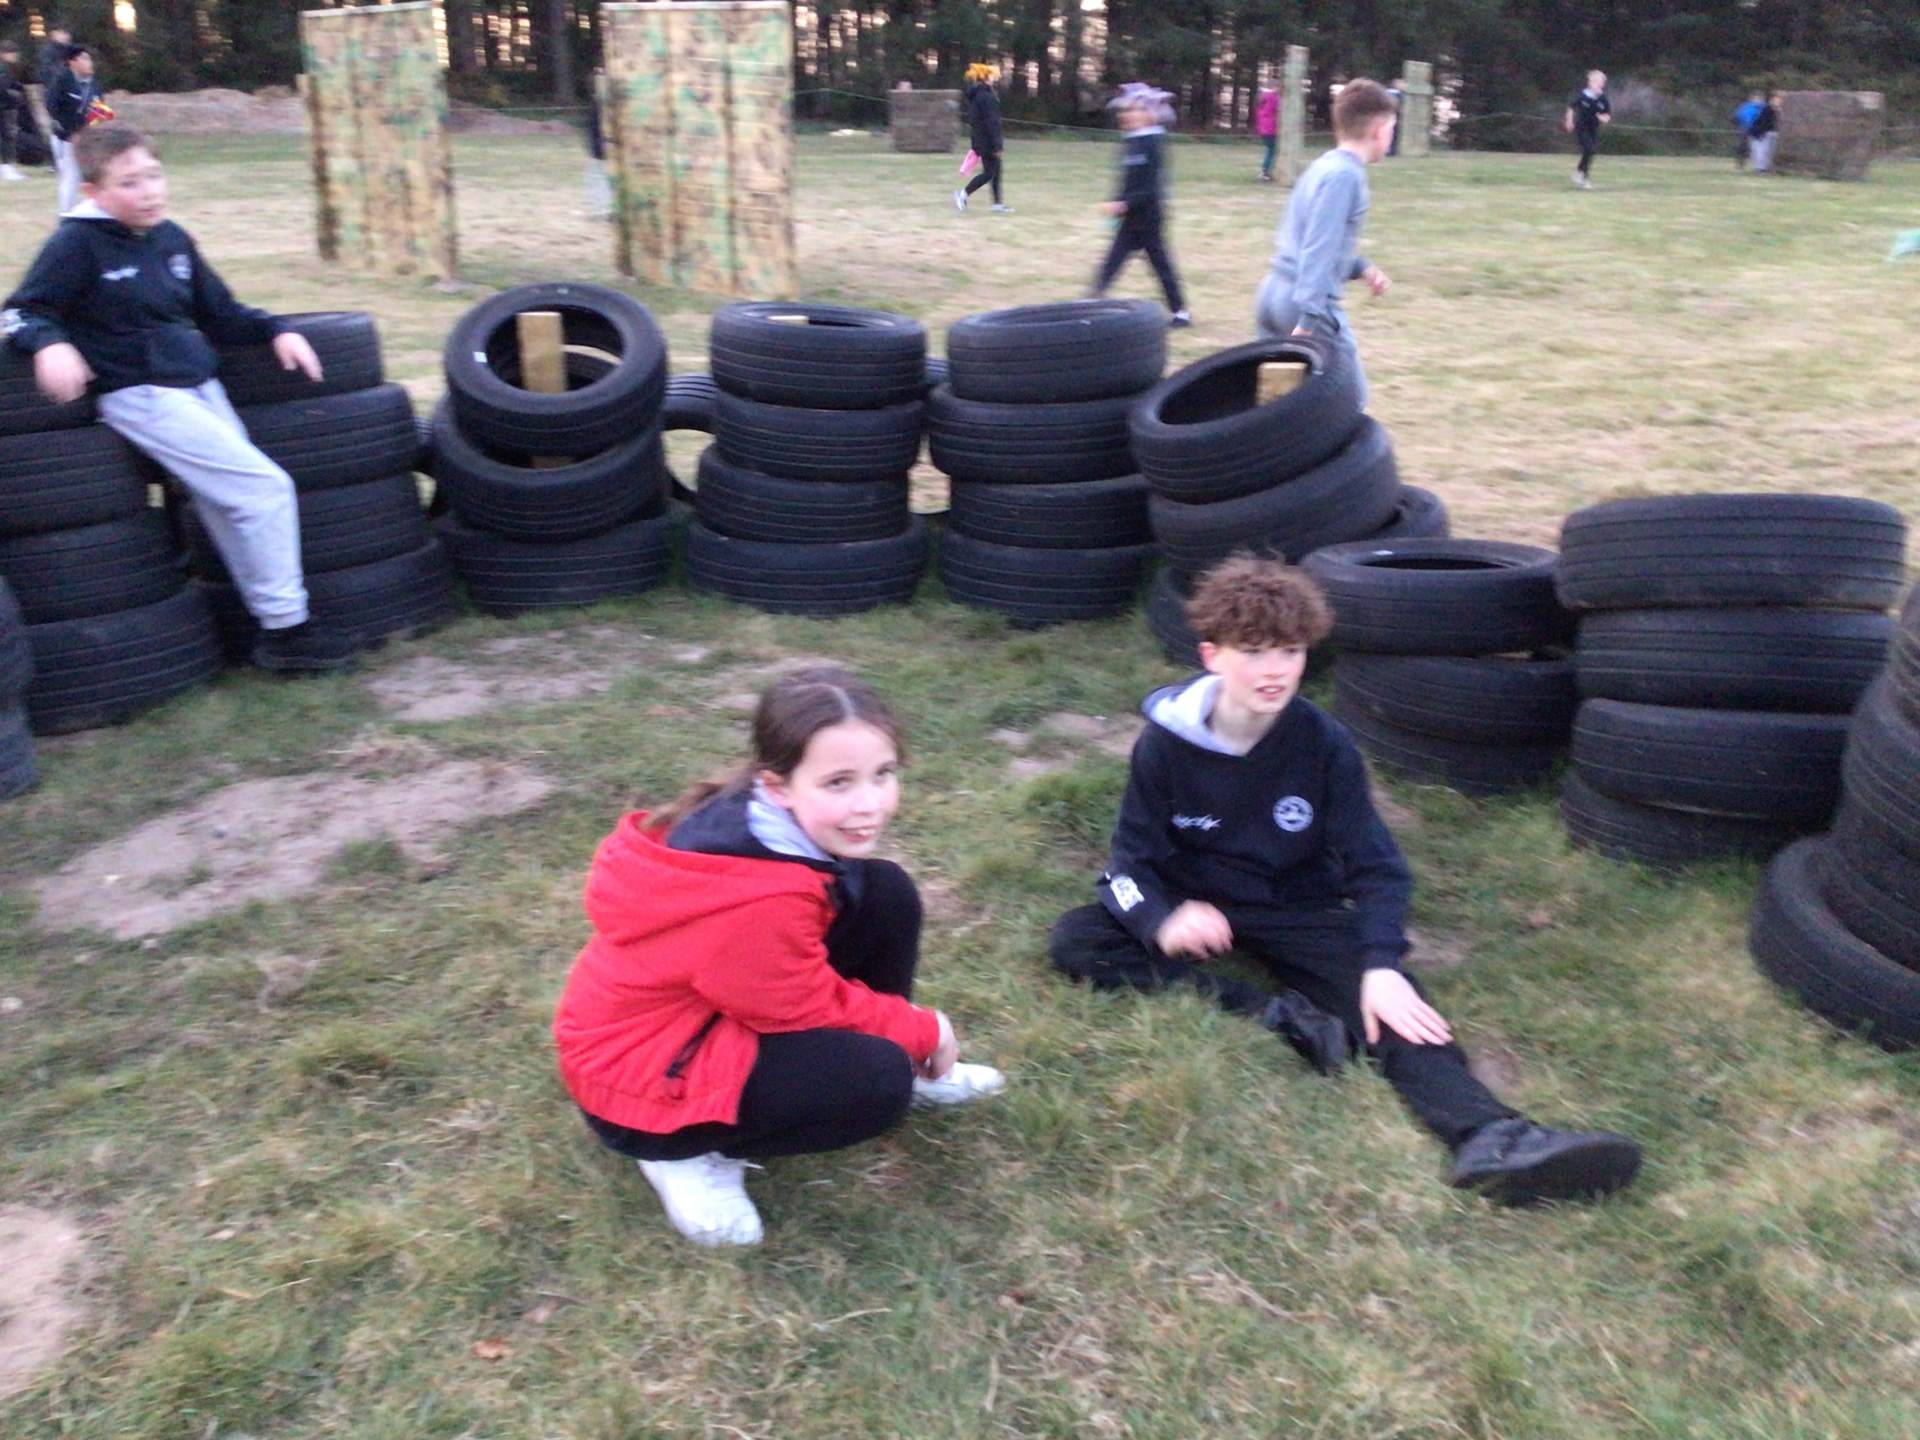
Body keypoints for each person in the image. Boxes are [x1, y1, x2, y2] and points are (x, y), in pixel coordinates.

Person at [1047, 555, 1644, 1206]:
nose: (1275, 671)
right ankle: (1278, 1015)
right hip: (1200, 899)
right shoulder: (1165, 744)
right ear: (1213, 655)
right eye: (1254, 651)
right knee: (1078, 939)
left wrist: (1382, 962)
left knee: (1391, 1003)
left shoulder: (1323, 743)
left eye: (1291, 651)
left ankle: (1491, 1137)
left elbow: (1378, 866)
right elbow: (1127, 863)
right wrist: (1162, 920)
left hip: (1295, 904)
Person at [553, 667, 1008, 1248]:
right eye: (838, 783)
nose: (870, 804)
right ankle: (685, 1153)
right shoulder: (757, 896)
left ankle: (917, 1069)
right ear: (778, 785)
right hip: (642, 1087)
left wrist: (905, 1035)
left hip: (709, 1014)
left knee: (883, 891)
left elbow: (784, 986)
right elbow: (798, 1005)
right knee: (875, 1083)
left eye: (883, 774)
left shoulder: (761, 828)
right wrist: (922, 1030)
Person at [2, 124, 353, 672]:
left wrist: (275, 330)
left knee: (231, 502)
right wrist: (50, 344)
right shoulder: (76, 243)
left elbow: (220, 312)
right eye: (129, 183)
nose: (149, 192)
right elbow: (23, 310)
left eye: (154, 176)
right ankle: (290, 631)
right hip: (141, 394)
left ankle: (269, 626)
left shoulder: (171, 238)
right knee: (264, 489)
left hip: (200, 386)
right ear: (93, 192)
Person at [1254, 78, 1395, 408]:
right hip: (1302, 306)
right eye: (1391, 128)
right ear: (1378, 130)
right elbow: (1319, 249)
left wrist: (1361, 267)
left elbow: (1310, 236)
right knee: (1350, 405)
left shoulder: (1323, 166)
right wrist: (1309, 320)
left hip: (1273, 293)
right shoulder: (1345, 176)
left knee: (1282, 411)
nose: (1391, 135)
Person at [1092, 84, 1190, 328]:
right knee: (1111, 262)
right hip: (1129, 218)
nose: (1128, 115)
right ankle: (1090, 304)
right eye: (1126, 110)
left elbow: (1151, 186)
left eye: (1136, 110)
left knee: (1160, 264)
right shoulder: (1130, 142)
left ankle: (1180, 312)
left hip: (1149, 217)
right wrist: (1116, 200)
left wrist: (1125, 203)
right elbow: (1126, 180)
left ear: (1151, 114)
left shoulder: (1154, 142)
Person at [45, 40, 102, 214]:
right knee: (70, 176)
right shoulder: (62, 80)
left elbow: (99, 109)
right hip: (65, 138)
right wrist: (71, 133)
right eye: (84, 58)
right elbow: (52, 107)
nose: (89, 63)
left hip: (86, 137)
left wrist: (93, 130)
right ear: (72, 62)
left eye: (89, 59)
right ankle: (66, 214)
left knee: (90, 176)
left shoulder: (94, 84)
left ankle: (91, 212)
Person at [953, 63, 1009, 214]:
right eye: (991, 76)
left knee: (996, 171)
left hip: (980, 140)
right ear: (985, 77)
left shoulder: (978, 95)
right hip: (987, 142)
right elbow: (992, 123)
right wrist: (997, 145)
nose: (994, 78)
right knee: (989, 173)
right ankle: (962, 195)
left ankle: (997, 204)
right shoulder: (987, 97)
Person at [1564, 68, 1610, 190]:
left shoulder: (1603, 98)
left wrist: (1604, 118)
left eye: (1602, 82)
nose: (1600, 85)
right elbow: (1571, 107)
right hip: (1582, 127)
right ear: (1590, 83)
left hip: (1593, 128)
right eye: (1597, 82)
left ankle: (1580, 175)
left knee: (1590, 152)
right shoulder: (1583, 95)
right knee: (1589, 149)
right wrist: (1569, 121)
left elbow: (1607, 114)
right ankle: (1582, 177)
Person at [0, 41, 25, 183]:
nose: (15, 56)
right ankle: (7, 167)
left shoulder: (7, 68)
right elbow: (2, 88)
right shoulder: (3, 68)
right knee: (6, 137)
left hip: (4, 106)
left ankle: (6, 167)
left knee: (6, 136)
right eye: (12, 53)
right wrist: (14, 97)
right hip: (3, 106)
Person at [1747, 91, 1781, 174]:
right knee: (1761, 151)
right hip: (1762, 133)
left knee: (1769, 151)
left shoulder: (1776, 110)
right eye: (1776, 99)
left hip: (1771, 132)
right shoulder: (1766, 109)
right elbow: (1763, 122)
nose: (1778, 101)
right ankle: (1760, 169)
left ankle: (1765, 168)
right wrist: (1760, 133)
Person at [1254, 86, 1279, 182]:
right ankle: (1265, 172)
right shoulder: (1271, 98)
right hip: (1270, 129)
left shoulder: (1262, 101)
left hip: (1263, 129)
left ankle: (1266, 171)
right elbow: (1279, 107)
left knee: (1271, 150)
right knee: (1272, 150)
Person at [1733, 91, 1762, 169]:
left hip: (1757, 129)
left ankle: (1758, 164)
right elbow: (1737, 116)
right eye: (1756, 98)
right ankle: (1740, 162)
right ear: (1752, 98)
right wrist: (1742, 124)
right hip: (1745, 128)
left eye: (1759, 98)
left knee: (1756, 147)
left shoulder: (1762, 108)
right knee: (1743, 146)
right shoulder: (1745, 106)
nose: (1757, 100)